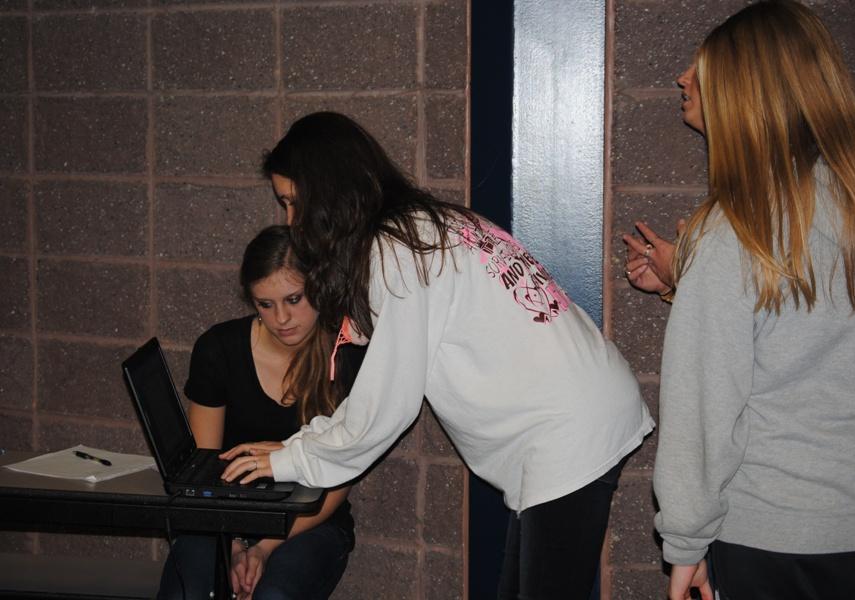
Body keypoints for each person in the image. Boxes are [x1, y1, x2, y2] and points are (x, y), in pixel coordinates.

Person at [219, 111, 655, 598]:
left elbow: (387, 407)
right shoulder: (423, 226)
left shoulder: (399, 253)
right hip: (574, 420)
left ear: (332, 193)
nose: (292, 223)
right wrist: (302, 445)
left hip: (569, 432)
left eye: (295, 204)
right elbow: (372, 371)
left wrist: (292, 458)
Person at [634, 2, 855, 599]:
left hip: (775, 536)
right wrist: (690, 283)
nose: (681, 78)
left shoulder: (734, 230)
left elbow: (705, 406)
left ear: (749, 93)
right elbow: (821, 335)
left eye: (703, 70)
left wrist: (684, 543)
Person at [158, 225, 364, 600]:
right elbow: (206, 469)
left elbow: (339, 476)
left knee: (274, 595)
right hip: (221, 518)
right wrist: (234, 543)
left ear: (319, 286)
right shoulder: (219, 349)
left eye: (294, 299)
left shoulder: (346, 352)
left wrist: (265, 547)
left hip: (311, 521)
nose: (282, 318)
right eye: (265, 305)